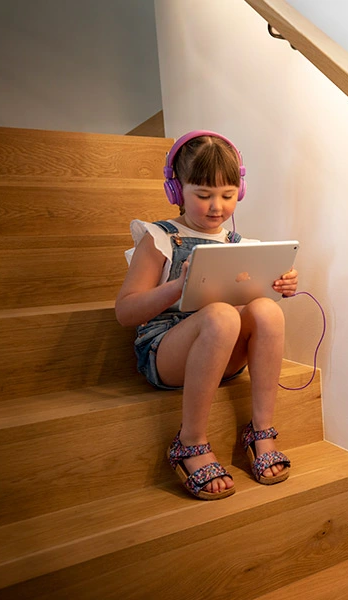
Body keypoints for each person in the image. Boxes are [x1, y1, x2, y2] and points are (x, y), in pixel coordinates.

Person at [115, 130, 298, 500]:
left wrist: (276, 288)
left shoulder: (238, 244)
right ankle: (190, 441)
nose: (217, 206)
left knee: (265, 311)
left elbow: (253, 309)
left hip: (223, 353)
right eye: (203, 195)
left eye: (228, 196)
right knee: (221, 316)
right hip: (166, 352)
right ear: (176, 191)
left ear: (239, 192)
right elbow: (125, 311)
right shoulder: (160, 238)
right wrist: (173, 288)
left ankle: (261, 431)